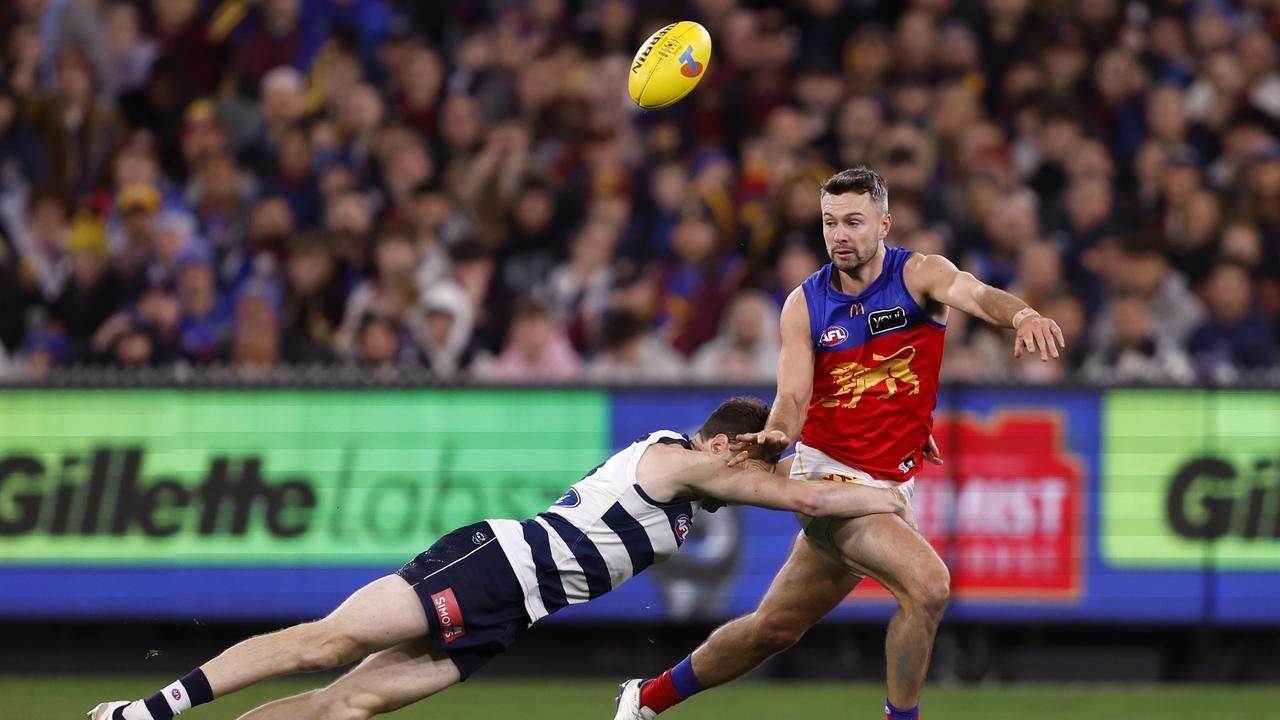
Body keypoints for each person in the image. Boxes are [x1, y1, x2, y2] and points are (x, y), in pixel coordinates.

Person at [89, 397, 912, 720]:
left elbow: (791, 490)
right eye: (753, 465)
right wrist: (885, 490)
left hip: (510, 613)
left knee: (345, 707)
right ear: (731, 445)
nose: (755, 483)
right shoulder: (680, 457)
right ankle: (148, 711)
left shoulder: (696, 493)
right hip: (491, 563)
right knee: (324, 642)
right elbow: (801, 499)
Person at [614, 167, 1065, 720]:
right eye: (830, 223)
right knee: (928, 586)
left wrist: (1021, 313)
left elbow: (975, 293)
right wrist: (779, 432)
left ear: (884, 224)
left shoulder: (921, 274)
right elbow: (793, 397)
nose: (840, 235)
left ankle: (646, 698)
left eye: (854, 221)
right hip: (828, 478)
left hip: (888, 480)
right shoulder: (804, 305)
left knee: (772, 629)